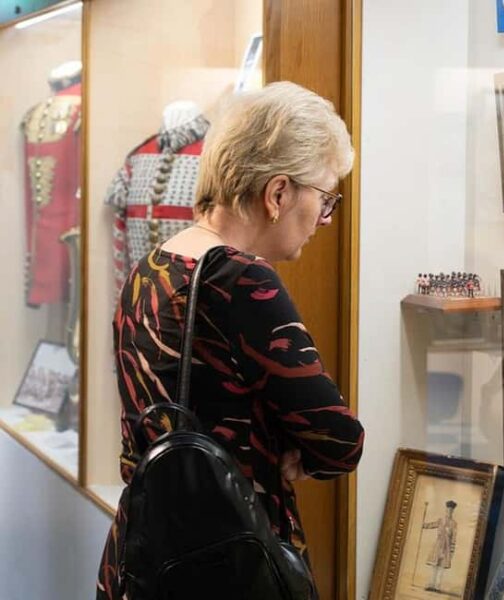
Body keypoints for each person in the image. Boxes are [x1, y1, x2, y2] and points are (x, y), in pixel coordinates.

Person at [96, 81, 365, 599]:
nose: (326, 220)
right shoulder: (241, 280)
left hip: (142, 554)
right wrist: (293, 450)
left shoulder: (152, 266)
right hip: (227, 561)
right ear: (279, 192)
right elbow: (339, 441)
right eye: (326, 198)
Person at [423, 500, 458, 593]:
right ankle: (431, 584)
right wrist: (423, 525)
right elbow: (432, 525)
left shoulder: (454, 524)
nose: (449, 512)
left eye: (451, 511)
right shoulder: (440, 520)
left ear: (453, 512)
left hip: (446, 548)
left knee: (441, 567)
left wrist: (451, 551)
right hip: (438, 546)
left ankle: (437, 586)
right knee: (434, 566)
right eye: (447, 510)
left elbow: (454, 538)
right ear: (446, 510)